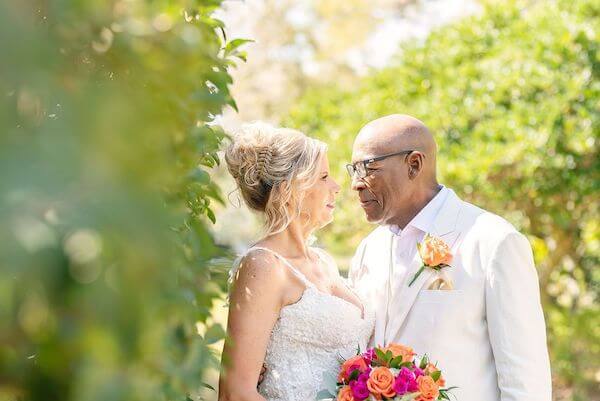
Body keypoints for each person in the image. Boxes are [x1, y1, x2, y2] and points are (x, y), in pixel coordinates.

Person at [347, 114, 552, 401]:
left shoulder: (493, 241)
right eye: (353, 170)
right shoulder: (369, 249)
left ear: (414, 164)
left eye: (368, 167)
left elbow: (526, 380)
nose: (356, 184)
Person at [218, 122, 375, 401]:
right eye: (324, 176)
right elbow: (235, 392)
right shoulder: (263, 266)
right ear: (292, 189)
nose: (337, 187)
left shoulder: (324, 262)